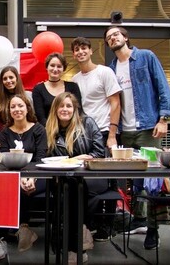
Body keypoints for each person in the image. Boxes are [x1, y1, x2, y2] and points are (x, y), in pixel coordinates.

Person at [104, 25, 170, 250]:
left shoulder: (145, 57)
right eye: (108, 37)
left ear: (125, 37)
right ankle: (140, 219)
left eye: (116, 34)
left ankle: (153, 230)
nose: (112, 38)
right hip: (126, 130)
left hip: (147, 127)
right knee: (135, 181)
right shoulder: (111, 68)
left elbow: (162, 86)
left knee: (152, 180)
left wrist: (164, 119)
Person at [71, 36, 122, 241]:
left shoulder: (104, 72)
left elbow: (115, 103)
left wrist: (112, 133)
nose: (80, 52)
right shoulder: (74, 80)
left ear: (91, 50)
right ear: (73, 54)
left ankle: (107, 226)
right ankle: (90, 224)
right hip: (84, 136)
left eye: (84, 48)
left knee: (109, 181)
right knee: (88, 182)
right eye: (76, 49)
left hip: (103, 132)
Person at [45, 92, 105, 263]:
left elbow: (100, 153)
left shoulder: (87, 123)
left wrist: (77, 160)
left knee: (72, 188)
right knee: (68, 187)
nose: (65, 109)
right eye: (61, 106)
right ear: (55, 109)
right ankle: (75, 239)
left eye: (69, 106)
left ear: (75, 109)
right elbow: (48, 158)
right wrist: (72, 160)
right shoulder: (50, 129)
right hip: (64, 180)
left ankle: (72, 243)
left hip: (92, 177)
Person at [0, 94, 47, 252]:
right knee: (14, 187)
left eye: (20, 106)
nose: (16, 109)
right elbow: (5, 160)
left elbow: (40, 158)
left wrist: (31, 177)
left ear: (27, 108)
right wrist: (18, 179)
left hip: (37, 175)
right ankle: (8, 234)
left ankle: (23, 228)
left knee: (24, 187)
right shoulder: (5, 133)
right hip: (13, 176)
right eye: (13, 107)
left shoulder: (39, 129)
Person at [32, 52, 82, 126]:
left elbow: (78, 111)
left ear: (63, 69)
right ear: (47, 67)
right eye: (52, 65)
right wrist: (53, 132)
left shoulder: (73, 87)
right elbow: (40, 117)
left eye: (59, 66)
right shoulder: (38, 89)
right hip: (48, 131)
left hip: (71, 130)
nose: (55, 69)